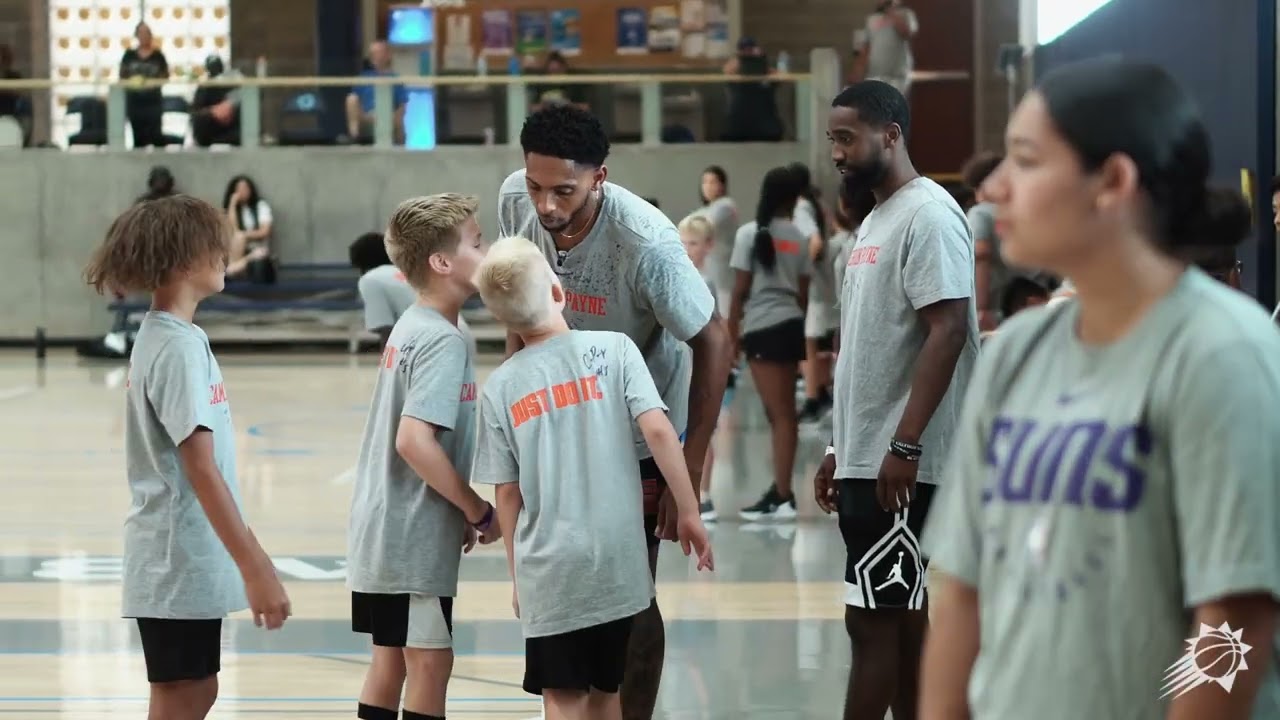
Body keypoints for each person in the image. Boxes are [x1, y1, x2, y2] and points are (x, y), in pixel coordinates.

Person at [919, 59, 1280, 720]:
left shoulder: (1222, 354)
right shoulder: (1015, 358)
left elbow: (1234, 627)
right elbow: (964, 593)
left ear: (1113, 181)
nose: (994, 188)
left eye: (1025, 161)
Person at [497, 104, 730, 720]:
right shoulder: (515, 203)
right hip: (556, 416)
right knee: (570, 577)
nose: (546, 205)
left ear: (600, 176)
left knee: (630, 594)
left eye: (564, 191)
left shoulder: (647, 243)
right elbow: (517, 311)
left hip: (634, 434)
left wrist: (691, 463)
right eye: (536, 185)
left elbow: (714, 339)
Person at [472, 235, 714, 720]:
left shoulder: (499, 388)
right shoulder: (617, 350)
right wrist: (689, 510)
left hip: (551, 575)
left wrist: (518, 579)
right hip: (618, 566)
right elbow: (662, 435)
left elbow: (507, 494)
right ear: (558, 293)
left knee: (563, 699)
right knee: (608, 693)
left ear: (501, 318)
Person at [83, 195, 292, 720]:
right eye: (213, 246)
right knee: (183, 695)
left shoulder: (178, 337)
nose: (225, 254)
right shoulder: (173, 347)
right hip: (173, 558)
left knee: (198, 690)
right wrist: (256, 566)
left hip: (186, 556)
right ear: (181, 262)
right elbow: (200, 467)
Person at [813, 79, 978, 720]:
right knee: (903, 623)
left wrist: (904, 444)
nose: (838, 153)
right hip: (869, 455)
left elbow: (949, 329)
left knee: (873, 624)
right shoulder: (877, 220)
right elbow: (866, 349)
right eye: (833, 140)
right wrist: (838, 446)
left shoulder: (930, 215)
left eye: (847, 138)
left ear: (892, 134)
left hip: (904, 463)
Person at [346, 194, 500, 720]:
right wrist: (476, 508)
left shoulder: (418, 324)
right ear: (441, 262)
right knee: (431, 664)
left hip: (390, 525)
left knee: (391, 662)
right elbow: (413, 441)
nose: (488, 251)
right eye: (477, 243)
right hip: (406, 534)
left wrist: (452, 509)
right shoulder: (441, 339)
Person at [731, 167, 811, 522]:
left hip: (763, 327)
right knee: (781, 415)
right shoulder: (799, 237)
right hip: (791, 323)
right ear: (795, 198)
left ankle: (782, 495)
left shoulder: (750, 234)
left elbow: (739, 292)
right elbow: (805, 294)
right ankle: (780, 491)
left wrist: (732, 335)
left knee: (780, 416)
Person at [349, 231, 477, 355]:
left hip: (433, 342)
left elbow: (386, 331)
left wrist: (386, 370)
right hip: (461, 335)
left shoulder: (371, 279)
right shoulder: (410, 273)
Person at [677, 214, 724, 521]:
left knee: (701, 431)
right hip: (681, 364)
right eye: (682, 243)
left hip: (698, 366)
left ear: (707, 246)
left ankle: (703, 493)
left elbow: (716, 328)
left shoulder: (704, 282)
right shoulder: (679, 277)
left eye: (692, 244)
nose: (687, 249)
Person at [851, 0, 919, 94]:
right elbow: (866, 48)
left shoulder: (906, 14)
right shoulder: (871, 19)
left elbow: (907, 32)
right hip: (874, 76)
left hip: (897, 78)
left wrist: (891, 12)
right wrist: (857, 71)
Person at [345, 41, 407, 144]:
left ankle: (400, 147)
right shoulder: (364, 77)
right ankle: (354, 138)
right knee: (351, 99)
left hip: (388, 116)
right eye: (373, 53)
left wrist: (392, 119)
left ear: (387, 55)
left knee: (398, 121)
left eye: (379, 52)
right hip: (366, 116)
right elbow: (355, 101)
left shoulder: (396, 79)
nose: (376, 56)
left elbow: (402, 106)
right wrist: (365, 116)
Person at [119, 22, 169, 148]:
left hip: (153, 101)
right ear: (136, 35)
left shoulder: (158, 56)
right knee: (138, 138)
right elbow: (122, 76)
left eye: (146, 33)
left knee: (156, 136)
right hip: (134, 102)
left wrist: (151, 84)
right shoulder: (129, 55)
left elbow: (165, 76)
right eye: (141, 33)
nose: (144, 36)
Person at [221, 175, 274, 281]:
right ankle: (234, 268)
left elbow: (265, 231)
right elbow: (232, 231)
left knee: (240, 237)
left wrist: (244, 235)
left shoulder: (260, 206)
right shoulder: (232, 210)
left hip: (255, 247)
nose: (242, 191)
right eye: (238, 189)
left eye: (245, 188)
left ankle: (230, 270)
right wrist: (232, 203)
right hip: (235, 251)